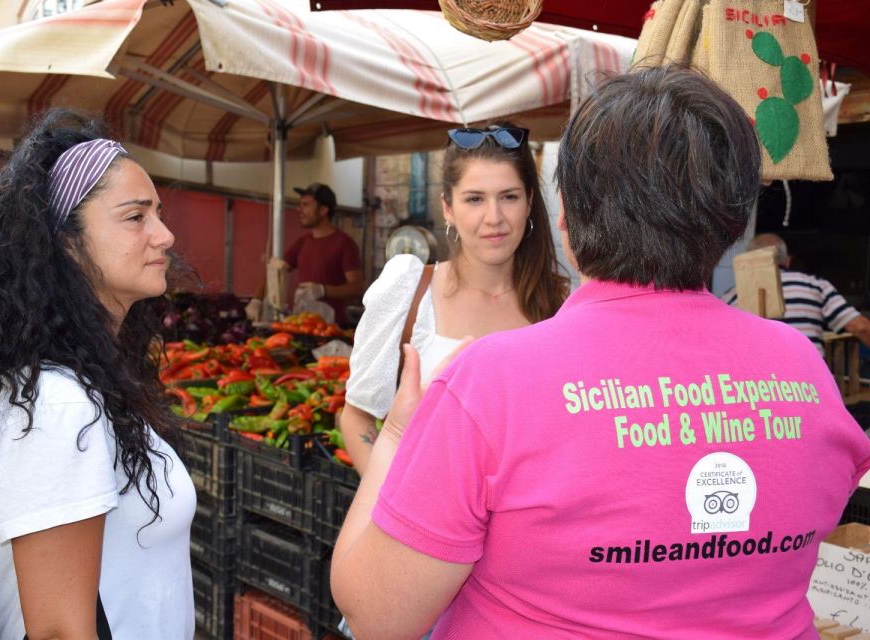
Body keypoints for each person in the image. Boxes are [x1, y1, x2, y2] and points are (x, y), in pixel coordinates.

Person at [331, 66, 870, 639]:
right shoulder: (803, 366)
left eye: (510, 197)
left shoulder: (491, 380)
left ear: (564, 221)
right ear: (732, 219)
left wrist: (394, 436)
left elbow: (377, 618)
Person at [0, 110, 195, 639]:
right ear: (65, 242)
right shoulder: (53, 406)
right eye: (136, 217)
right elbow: (60, 631)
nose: (164, 234)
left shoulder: (89, 381)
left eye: (158, 212)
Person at [340, 123, 569, 475]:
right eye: (474, 199)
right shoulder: (410, 288)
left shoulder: (561, 303)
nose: (494, 218)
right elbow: (357, 417)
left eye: (509, 196)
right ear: (448, 207)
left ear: (529, 203)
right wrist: (396, 508)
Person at [723, 233, 870, 356]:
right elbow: (860, 327)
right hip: (809, 382)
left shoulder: (732, 295)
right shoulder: (815, 285)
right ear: (787, 260)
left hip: (758, 386)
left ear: (749, 260)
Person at [246, 182, 364, 325]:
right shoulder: (302, 243)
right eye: (300, 205)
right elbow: (276, 270)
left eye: (306, 205)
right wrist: (257, 299)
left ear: (323, 210)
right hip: (302, 325)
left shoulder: (344, 243)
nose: (299, 209)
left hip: (332, 328)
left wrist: (323, 290)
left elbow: (357, 287)